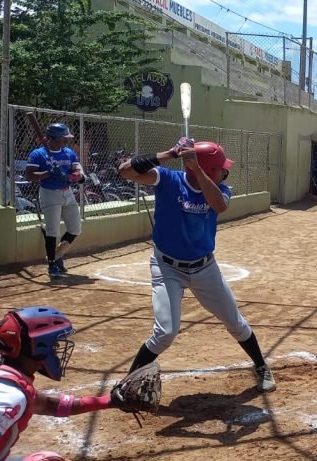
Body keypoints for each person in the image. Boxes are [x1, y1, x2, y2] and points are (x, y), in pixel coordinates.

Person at [118, 137, 276, 392]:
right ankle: (127, 385)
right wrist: (170, 153)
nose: (225, 171)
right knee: (165, 332)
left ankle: (261, 366)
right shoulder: (168, 179)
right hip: (167, 267)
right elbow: (125, 171)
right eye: (220, 167)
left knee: (235, 322)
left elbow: (219, 206)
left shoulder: (222, 189)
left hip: (204, 268)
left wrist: (198, 170)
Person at [0, 306, 126, 461]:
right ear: (39, 347)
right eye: (54, 346)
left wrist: (110, 401)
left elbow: (48, 404)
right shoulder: (6, 395)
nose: (56, 351)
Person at [23, 124, 84, 279]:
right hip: (49, 193)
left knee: (75, 229)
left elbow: (77, 169)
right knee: (52, 231)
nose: (66, 142)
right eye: (64, 139)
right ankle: (52, 266)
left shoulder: (68, 152)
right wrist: (48, 173)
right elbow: (29, 176)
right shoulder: (38, 154)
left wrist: (76, 175)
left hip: (67, 192)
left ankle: (57, 256)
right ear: (56, 138)